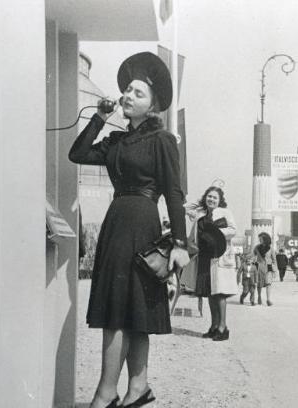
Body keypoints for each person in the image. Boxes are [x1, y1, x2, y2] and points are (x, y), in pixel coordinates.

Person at [69, 53, 190, 408]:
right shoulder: (116, 141)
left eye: (137, 92)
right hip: (117, 224)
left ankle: (106, 394)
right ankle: (139, 387)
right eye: (126, 90)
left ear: (152, 105)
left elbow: (174, 193)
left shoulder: (163, 140)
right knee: (128, 310)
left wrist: (180, 243)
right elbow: (77, 154)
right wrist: (99, 118)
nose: (127, 95)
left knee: (124, 311)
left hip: (143, 224)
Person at [185, 186, 237, 341]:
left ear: (220, 200)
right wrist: (200, 202)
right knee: (210, 293)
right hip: (205, 257)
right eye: (209, 196)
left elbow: (233, 230)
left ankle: (223, 327)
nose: (211, 200)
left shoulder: (225, 212)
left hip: (219, 255)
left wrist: (216, 233)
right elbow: (185, 207)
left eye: (215, 197)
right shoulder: (199, 213)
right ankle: (214, 326)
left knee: (220, 293)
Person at [253, 232, 278, 306]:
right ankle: (259, 297)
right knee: (259, 283)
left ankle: (268, 299)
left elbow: (274, 260)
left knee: (268, 284)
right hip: (259, 267)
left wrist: (275, 271)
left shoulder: (271, 249)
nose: (259, 240)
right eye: (259, 239)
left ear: (265, 239)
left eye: (260, 239)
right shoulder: (257, 247)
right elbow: (253, 255)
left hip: (268, 268)